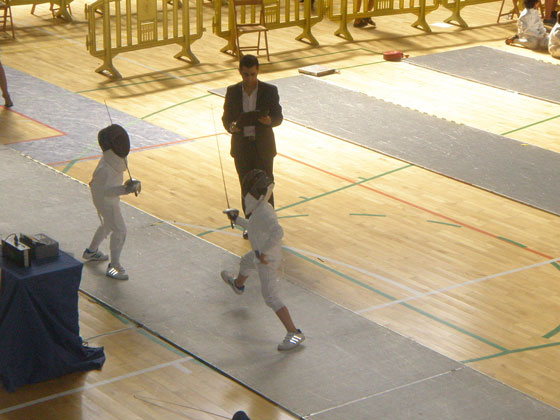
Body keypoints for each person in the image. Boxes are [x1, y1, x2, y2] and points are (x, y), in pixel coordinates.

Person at [222, 169, 305, 351]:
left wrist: (264, 254)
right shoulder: (261, 209)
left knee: (271, 297)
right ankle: (238, 284)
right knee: (246, 261)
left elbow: (278, 232)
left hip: (268, 260)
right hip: (260, 255)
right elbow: (253, 228)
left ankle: (294, 332)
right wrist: (237, 219)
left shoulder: (264, 213)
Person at [222, 54, 283, 220]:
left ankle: (269, 222)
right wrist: (231, 126)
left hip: (262, 147)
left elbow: (278, 117)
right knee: (246, 188)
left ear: (258, 72)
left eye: (253, 74)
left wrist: (269, 120)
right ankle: (251, 224)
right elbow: (226, 118)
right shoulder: (233, 91)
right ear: (240, 72)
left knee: (266, 187)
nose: (250, 79)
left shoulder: (269, 91)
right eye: (246, 75)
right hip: (242, 148)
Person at [83, 124, 141, 280]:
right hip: (105, 201)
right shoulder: (106, 168)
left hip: (108, 200)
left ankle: (91, 251)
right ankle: (114, 266)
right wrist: (126, 189)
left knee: (108, 225)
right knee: (120, 231)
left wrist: (125, 188)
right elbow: (106, 191)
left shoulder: (112, 161)